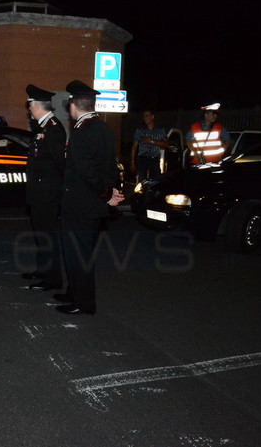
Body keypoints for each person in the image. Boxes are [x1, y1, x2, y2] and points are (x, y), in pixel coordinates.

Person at [54, 80, 124, 315]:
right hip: (92, 204)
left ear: (74, 105)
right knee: (78, 252)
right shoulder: (103, 127)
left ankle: (83, 303)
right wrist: (111, 190)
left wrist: (107, 196)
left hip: (82, 206)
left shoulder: (82, 132)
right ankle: (74, 292)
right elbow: (110, 165)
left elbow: (87, 172)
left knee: (79, 255)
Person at [21, 84, 66, 292]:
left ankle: (53, 278)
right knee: (40, 234)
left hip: (47, 193)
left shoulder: (53, 128)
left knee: (48, 235)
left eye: (30, 105)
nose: (29, 109)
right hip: (39, 192)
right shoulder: (43, 127)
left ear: (37, 105)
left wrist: (55, 191)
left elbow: (59, 163)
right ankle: (43, 270)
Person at [129, 108, 168, 181]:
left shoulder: (160, 130)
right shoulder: (140, 130)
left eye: (147, 116)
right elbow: (134, 146)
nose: (145, 118)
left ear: (152, 117)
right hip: (142, 158)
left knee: (156, 181)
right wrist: (132, 161)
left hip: (154, 159)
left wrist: (152, 141)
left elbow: (166, 144)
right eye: (144, 116)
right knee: (141, 182)